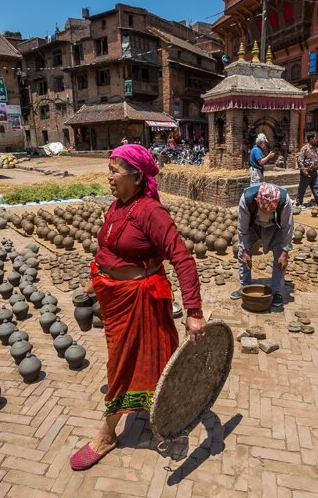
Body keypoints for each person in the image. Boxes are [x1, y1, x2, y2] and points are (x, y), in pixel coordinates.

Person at [71, 144, 205, 471]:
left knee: (122, 366)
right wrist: (95, 280)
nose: (109, 177)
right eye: (109, 170)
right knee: (134, 360)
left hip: (140, 300)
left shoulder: (151, 212)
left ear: (136, 175)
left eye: (115, 171)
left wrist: (194, 311)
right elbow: (106, 248)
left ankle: (107, 433)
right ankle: (162, 402)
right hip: (115, 298)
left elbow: (183, 259)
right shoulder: (117, 207)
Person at [229, 182, 294, 308]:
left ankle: (277, 292)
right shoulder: (246, 200)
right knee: (243, 252)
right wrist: (246, 250)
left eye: (272, 210)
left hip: (275, 228)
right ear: (257, 200)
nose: (267, 213)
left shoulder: (285, 201)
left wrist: (285, 251)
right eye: (264, 209)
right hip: (254, 226)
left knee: (280, 257)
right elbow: (242, 228)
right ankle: (245, 286)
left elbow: (287, 228)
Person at [296, 132, 318, 207]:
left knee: (317, 187)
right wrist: (304, 171)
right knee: (302, 189)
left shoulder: (315, 149)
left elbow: (317, 158)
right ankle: (298, 203)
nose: (317, 140)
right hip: (306, 172)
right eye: (316, 138)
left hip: (314, 172)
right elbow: (299, 160)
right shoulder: (305, 148)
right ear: (311, 139)